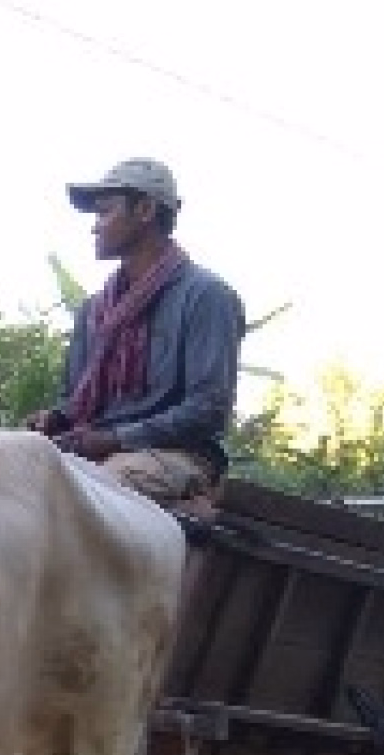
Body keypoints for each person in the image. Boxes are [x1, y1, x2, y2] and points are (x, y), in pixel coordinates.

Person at [31, 157, 245, 504]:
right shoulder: (94, 310)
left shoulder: (206, 296)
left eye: (104, 213)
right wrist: (56, 419)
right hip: (96, 453)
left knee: (91, 492)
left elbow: (207, 409)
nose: (95, 227)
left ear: (145, 210)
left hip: (177, 455)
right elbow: (74, 400)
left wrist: (114, 438)